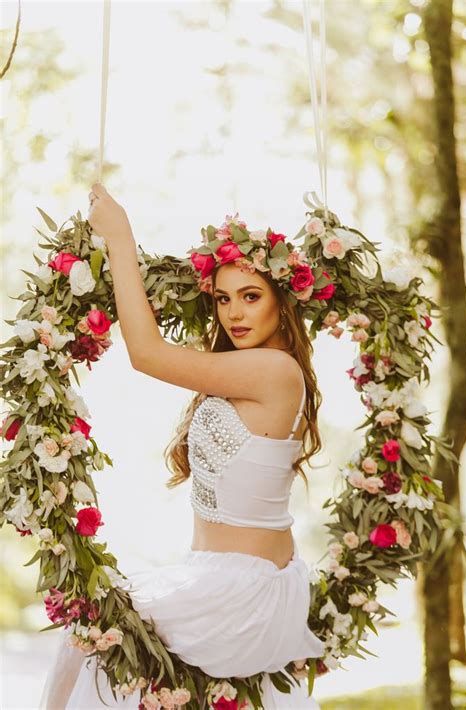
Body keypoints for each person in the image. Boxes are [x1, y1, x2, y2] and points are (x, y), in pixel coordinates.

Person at [38, 184, 326, 708]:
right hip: (219, 577)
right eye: (222, 298)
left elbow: (146, 353)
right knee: (92, 637)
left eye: (251, 296)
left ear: (282, 301)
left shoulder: (276, 371)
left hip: (246, 592)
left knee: (92, 633)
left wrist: (120, 239)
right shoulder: (249, 370)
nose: (234, 313)